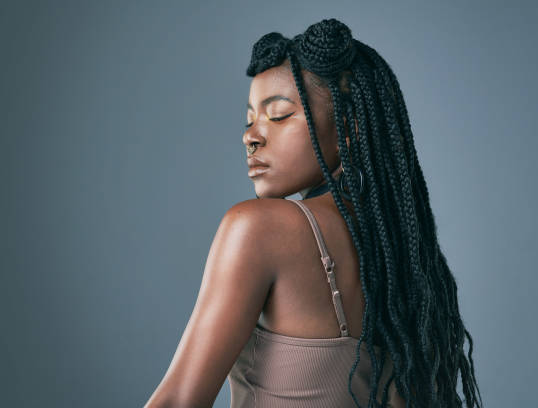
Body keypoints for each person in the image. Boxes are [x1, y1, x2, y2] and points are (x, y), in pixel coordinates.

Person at [144, 18, 484, 408]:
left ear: (348, 125)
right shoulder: (406, 262)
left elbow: (178, 401)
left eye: (279, 115)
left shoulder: (258, 228)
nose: (250, 136)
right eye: (249, 119)